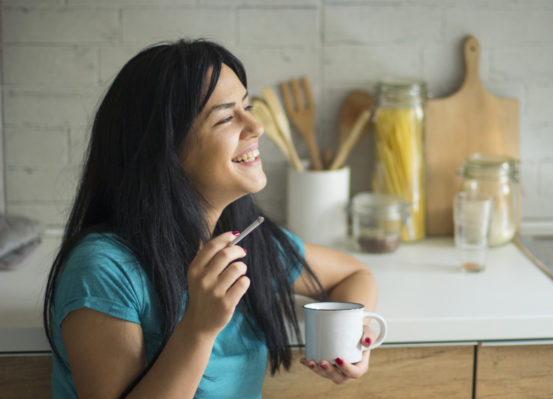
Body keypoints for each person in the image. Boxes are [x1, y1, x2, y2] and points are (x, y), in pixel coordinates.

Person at [43, 39, 379, 398]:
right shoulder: (103, 270)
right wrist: (198, 329)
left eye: (247, 107)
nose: (257, 126)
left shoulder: (244, 242)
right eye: (226, 117)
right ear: (165, 151)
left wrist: (352, 338)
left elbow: (354, 275)